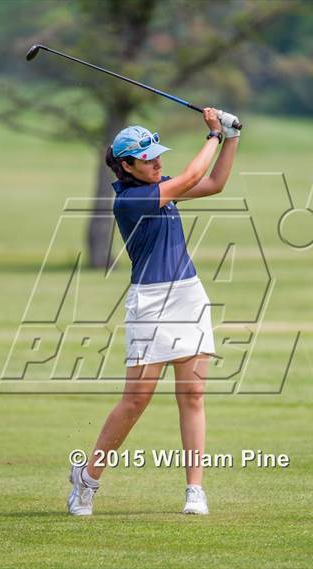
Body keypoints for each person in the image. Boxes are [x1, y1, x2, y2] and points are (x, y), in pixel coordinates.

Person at [68, 107, 240, 516]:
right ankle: (87, 479)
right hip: (151, 303)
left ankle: (194, 490)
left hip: (188, 296)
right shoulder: (132, 200)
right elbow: (195, 176)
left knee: (193, 393)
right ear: (127, 166)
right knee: (136, 401)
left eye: (158, 155)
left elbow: (214, 183)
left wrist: (231, 139)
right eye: (148, 159)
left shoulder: (159, 184)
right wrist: (213, 136)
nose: (158, 162)